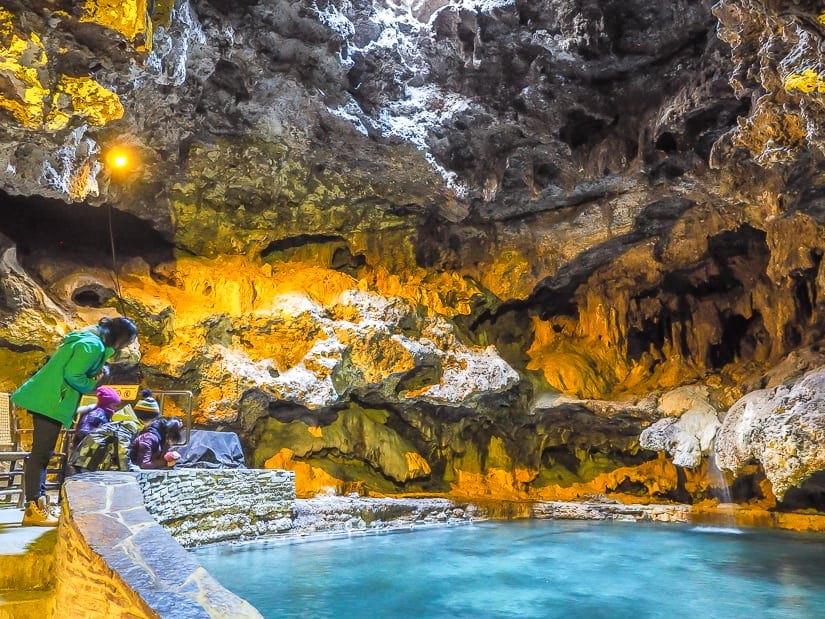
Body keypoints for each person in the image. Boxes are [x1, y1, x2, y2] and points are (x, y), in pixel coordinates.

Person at [11, 316, 138, 526]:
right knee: (41, 454)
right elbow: (73, 376)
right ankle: (33, 508)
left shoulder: (87, 339)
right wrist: (95, 382)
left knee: (43, 453)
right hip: (51, 401)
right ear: (119, 338)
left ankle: (39, 504)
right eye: (126, 343)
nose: (124, 347)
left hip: (48, 398)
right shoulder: (92, 346)